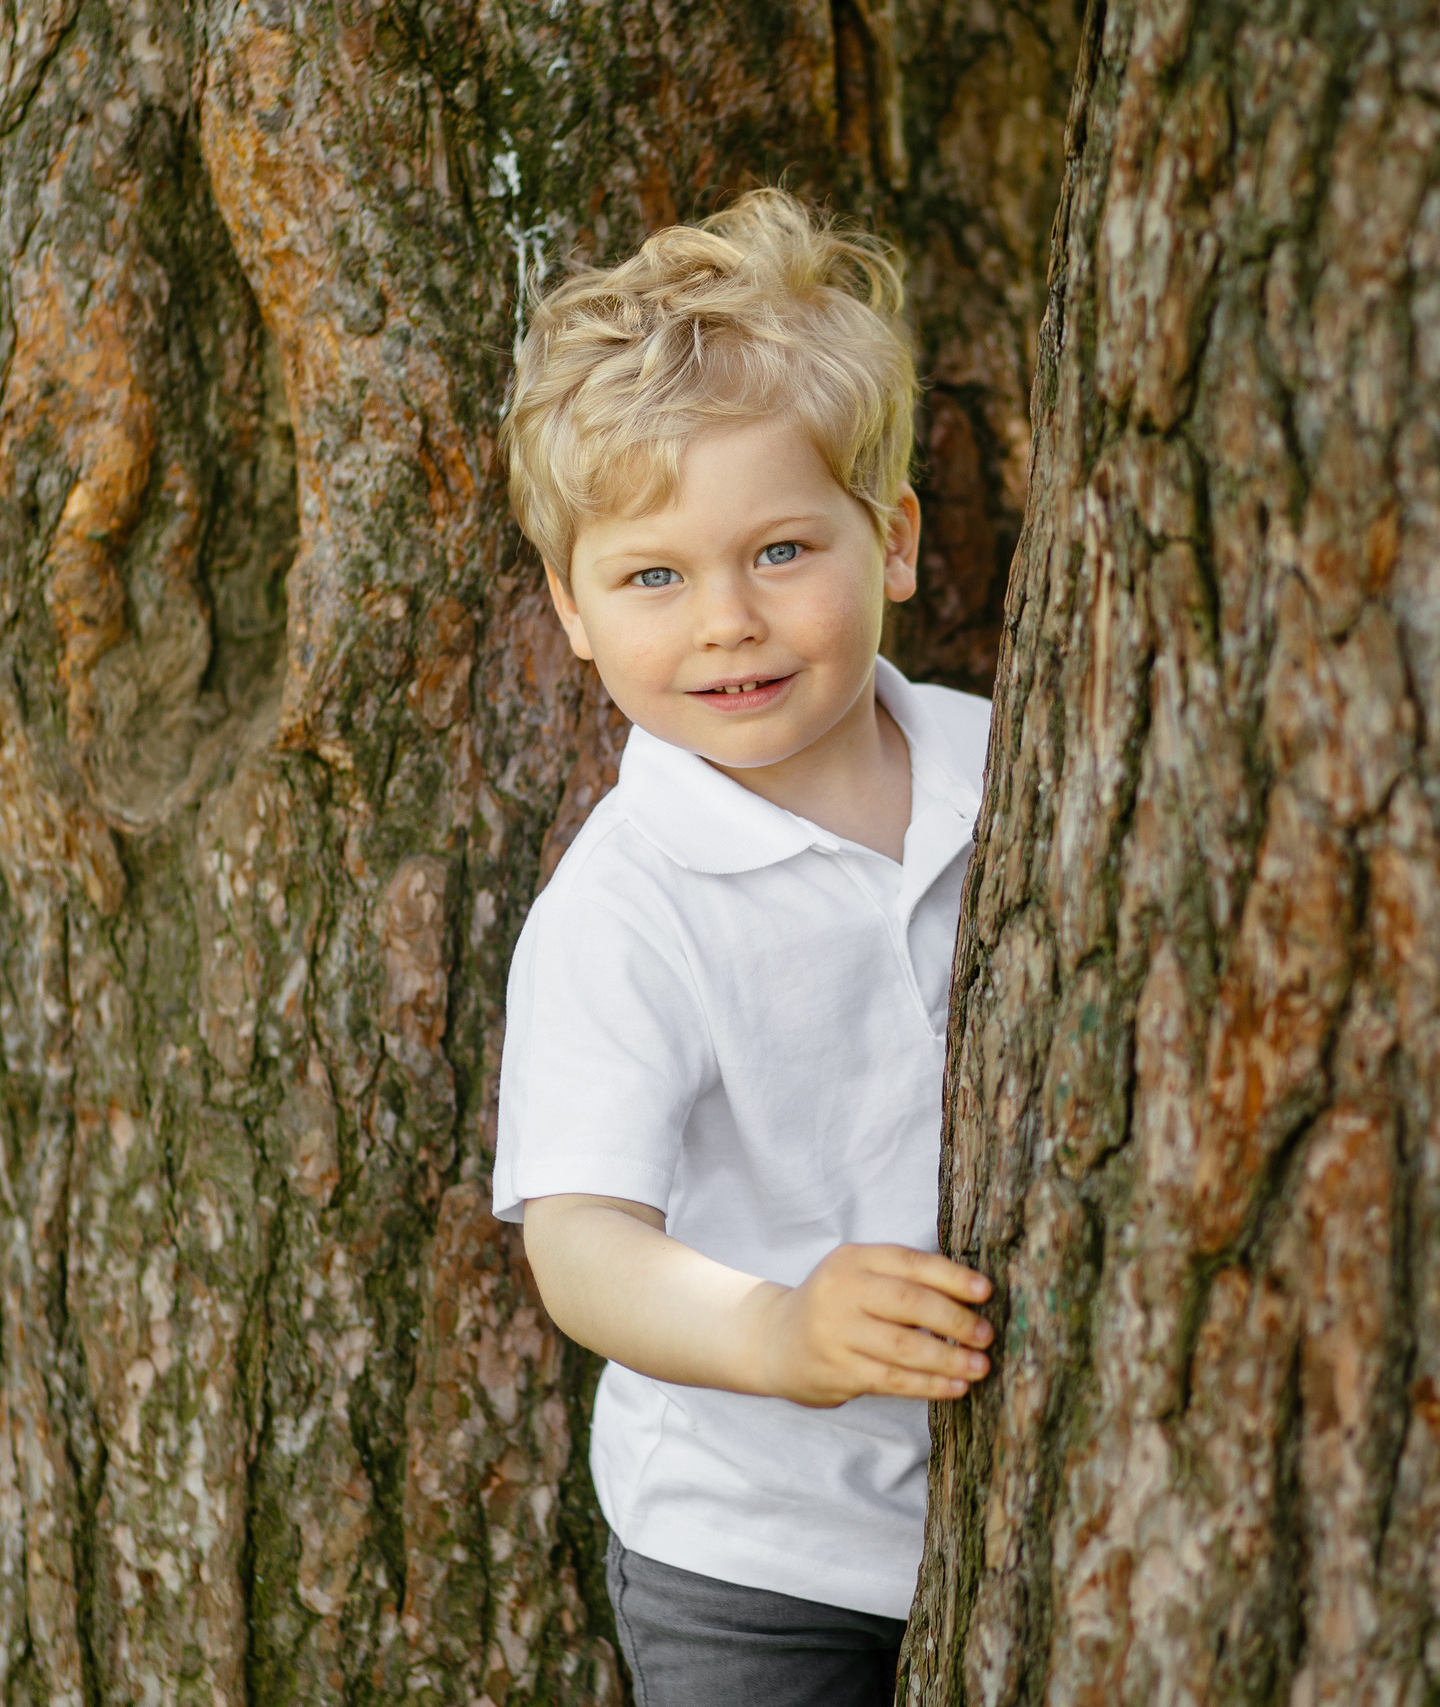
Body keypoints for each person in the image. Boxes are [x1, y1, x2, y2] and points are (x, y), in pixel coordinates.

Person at [492, 186, 998, 1707]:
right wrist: (780, 1330)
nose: (728, 621)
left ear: (890, 540)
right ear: (573, 613)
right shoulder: (628, 904)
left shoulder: (1016, 773)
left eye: (781, 549)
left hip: (1017, 1492)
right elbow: (580, 1247)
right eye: (653, 576)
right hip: (760, 1556)